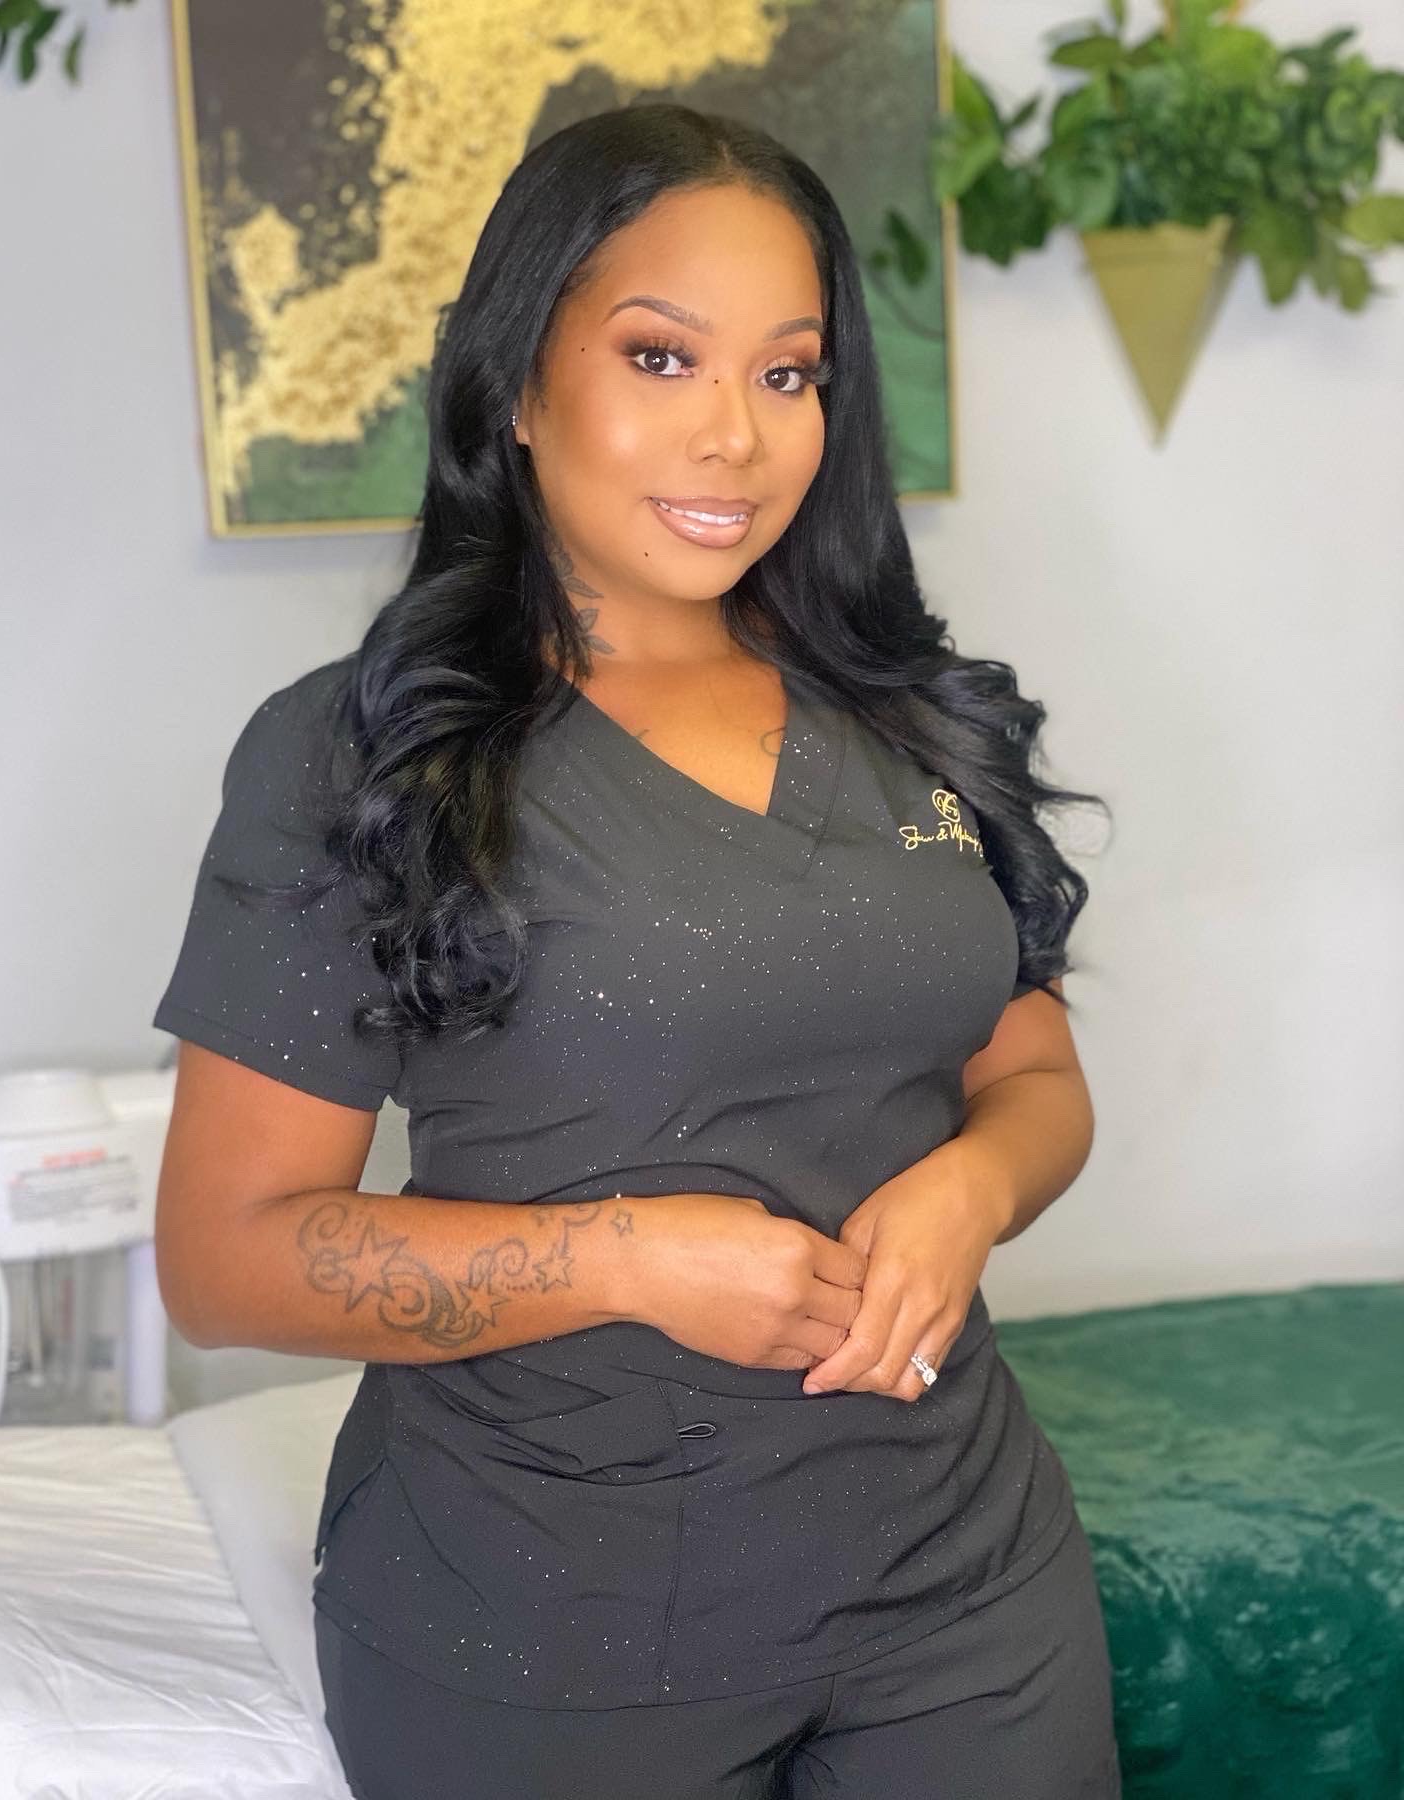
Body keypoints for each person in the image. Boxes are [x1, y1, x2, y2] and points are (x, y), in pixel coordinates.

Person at [152, 102, 1120, 1799]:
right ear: (518, 384)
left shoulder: (908, 718)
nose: (735, 436)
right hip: (548, 1633)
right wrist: (627, 1261)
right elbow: (226, 1262)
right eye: (662, 357)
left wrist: (974, 1189)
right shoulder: (360, 757)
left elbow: (1031, 1070)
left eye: (788, 373)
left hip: (967, 1588)